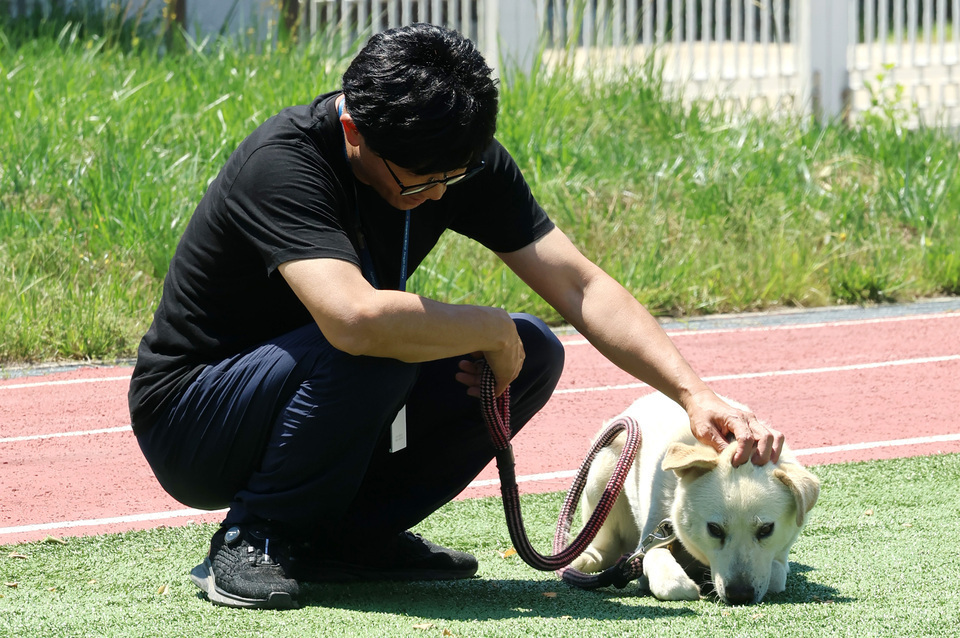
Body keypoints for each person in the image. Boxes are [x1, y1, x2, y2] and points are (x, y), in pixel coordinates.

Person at [129, 23, 784, 610]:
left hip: (322, 384)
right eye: (420, 181)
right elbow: (354, 319)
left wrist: (694, 394)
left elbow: (580, 284)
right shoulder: (283, 163)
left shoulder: (449, 155)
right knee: (385, 349)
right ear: (354, 131)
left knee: (532, 354)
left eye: (455, 175)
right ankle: (255, 536)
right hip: (193, 419)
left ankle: (353, 538)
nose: (440, 192)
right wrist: (488, 326)